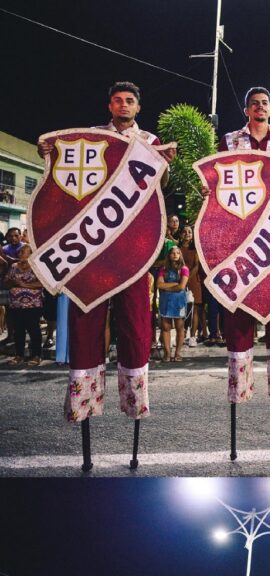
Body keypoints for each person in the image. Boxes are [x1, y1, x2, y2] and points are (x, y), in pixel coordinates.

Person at [36, 81, 176, 424]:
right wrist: (49, 152)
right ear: (110, 105)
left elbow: (161, 189)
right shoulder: (91, 137)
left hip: (134, 249)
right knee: (87, 323)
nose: (124, 105)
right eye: (118, 100)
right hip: (94, 249)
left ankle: (134, 403)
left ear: (138, 107)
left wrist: (166, 164)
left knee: (136, 325)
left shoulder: (151, 143)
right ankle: (82, 404)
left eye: (130, 101)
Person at [216, 86, 270, 405]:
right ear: (246, 110)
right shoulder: (229, 141)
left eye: (265, 103)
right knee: (238, 310)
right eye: (254, 104)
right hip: (240, 237)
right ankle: (240, 389)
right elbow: (216, 180)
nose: (260, 108)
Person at [6, 243, 44, 364]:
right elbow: (7, 282)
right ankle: (19, 355)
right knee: (18, 330)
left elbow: (41, 284)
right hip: (16, 305)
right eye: (19, 252)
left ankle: (36, 355)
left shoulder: (37, 267)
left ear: (31, 255)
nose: (20, 254)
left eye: (23, 252)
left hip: (33, 305)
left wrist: (23, 285)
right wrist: (11, 282)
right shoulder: (14, 266)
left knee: (34, 330)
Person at [157, 246, 189, 362]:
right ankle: (167, 353)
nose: (175, 255)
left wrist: (168, 286)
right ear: (169, 255)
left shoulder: (184, 269)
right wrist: (174, 285)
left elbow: (182, 286)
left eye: (177, 253)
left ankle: (178, 353)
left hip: (178, 302)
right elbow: (159, 285)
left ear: (180, 255)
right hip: (166, 301)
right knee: (165, 327)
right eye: (173, 253)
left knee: (180, 327)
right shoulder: (163, 269)